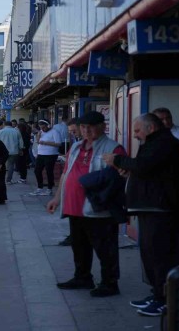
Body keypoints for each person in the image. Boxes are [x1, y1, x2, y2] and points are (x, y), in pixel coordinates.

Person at [102, 113, 179, 317]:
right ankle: (157, 293)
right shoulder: (154, 143)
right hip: (149, 207)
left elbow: (145, 165)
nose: (135, 135)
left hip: (160, 208)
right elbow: (147, 170)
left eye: (138, 130)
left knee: (160, 255)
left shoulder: (165, 143)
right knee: (149, 254)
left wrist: (118, 160)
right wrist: (129, 171)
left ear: (151, 128)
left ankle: (165, 300)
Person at [47, 112, 127, 297]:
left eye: (91, 126)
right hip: (74, 207)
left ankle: (110, 283)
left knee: (105, 248)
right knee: (79, 246)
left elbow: (120, 178)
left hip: (98, 208)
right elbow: (66, 174)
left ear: (102, 126)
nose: (86, 130)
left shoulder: (113, 148)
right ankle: (82, 277)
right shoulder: (75, 147)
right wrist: (57, 198)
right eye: (83, 127)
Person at [58, 118, 85, 247]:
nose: (73, 134)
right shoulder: (76, 145)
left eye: (74, 131)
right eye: (71, 132)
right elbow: (66, 170)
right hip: (73, 191)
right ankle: (74, 236)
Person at [29, 120, 62, 196]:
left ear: (48, 125)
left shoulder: (54, 132)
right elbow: (38, 142)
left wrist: (46, 143)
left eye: (44, 127)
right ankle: (39, 188)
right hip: (41, 154)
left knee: (49, 171)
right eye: (41, 127)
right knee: (37, 170)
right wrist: (38, 135)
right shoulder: (41, 132)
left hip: (51, 154)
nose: (42, 129)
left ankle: (49, 188)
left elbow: (59, 143)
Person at [0, 121, 24, 185]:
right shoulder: (16, 131)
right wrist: (21, 149)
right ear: (11, 125)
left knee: (1, 165)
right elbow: (20, 141)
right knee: (11, 165)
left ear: (4, 124)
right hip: (14, 151)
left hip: (2, 152)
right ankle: (8, 180)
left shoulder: (0, 131)